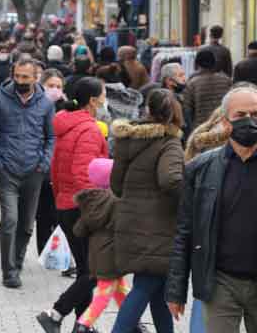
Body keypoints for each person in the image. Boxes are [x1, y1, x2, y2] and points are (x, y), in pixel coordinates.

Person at [167, 85, 257, 333]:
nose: (250, 121)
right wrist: (176, 290)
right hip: (220, 282)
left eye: (256, 114)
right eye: (241, 115)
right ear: (225, 122)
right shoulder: (201, 168)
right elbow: (185, 230)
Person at [36, 77, 108, 332]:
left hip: (66, 204)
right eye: (103, 95)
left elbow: (56, 169)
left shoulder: (67, 125)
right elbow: (84, 174)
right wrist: (97, 209)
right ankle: (54, 313)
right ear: (92, 100)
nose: (104, 100)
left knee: (86, 270)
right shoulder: (88, 129)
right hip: (82, 208)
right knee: (94, 272)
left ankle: (82, 325)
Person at [109, 89, 184, 333]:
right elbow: (171, 180)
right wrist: (193, 198)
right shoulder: (169, 143)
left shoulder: (127, 139)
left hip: (131, 225)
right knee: (146, 285)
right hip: (159, 230)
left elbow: (116, 186)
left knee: (158, 290)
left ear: (148, 110)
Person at [0, 58, 55, 288]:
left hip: (34, 171)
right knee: (10, 220)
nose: (20, 81)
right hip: (7, 171)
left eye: (26, 77)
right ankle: (9, 271)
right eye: (17, 76)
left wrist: (44, 163)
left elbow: (50, 137)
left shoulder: (45, 103)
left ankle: (17, 261)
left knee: (26, 224)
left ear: (36, 77)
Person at [70, 158, 131, 333]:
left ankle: (133, 322)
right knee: (103, 296)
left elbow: (78, 230)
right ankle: (83, 325)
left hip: (97, 255)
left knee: (121, 290)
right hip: (112, 254)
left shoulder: (90, 201)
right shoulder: (117, 201)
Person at [36, 69, 67, 255]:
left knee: (59, 213)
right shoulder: (36, 105)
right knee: (43, 214)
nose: (55, 90)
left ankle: (58, 251)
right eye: (51, 86)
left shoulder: (68, 106)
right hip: (42, 166)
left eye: (58, 86)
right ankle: (43, 250)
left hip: (61, 166)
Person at [183, 49, 232, 132]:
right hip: (223, 126)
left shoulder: (192, 83)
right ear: (214, 63)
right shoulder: (226, 80)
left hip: (202, 128)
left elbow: (187, 110)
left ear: (198, 63)